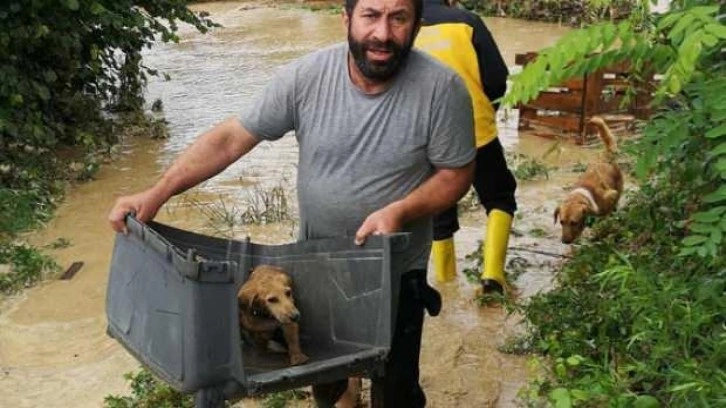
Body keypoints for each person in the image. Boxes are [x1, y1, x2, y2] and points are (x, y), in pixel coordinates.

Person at [107, 0, 476, 405]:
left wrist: (400, 211)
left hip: (396, 269)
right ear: (346, 20)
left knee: (397, 389)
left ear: (417, 25)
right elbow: (231, 139)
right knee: (326, 381)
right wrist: (157, 192)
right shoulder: (307, 77)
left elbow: (455, 175)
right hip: (316, 266)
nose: (383, 34)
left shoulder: (442, 89)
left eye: (398, 18)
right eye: (371, 15)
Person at [414, 0, 517, 295]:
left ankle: (446, 285)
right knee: (500, 198)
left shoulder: (401, 25)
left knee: (438, 211)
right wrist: (486, 111)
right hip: (476, 130)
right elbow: (497, 79)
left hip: (426, 138)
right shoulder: (467, 22)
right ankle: (493, 277)